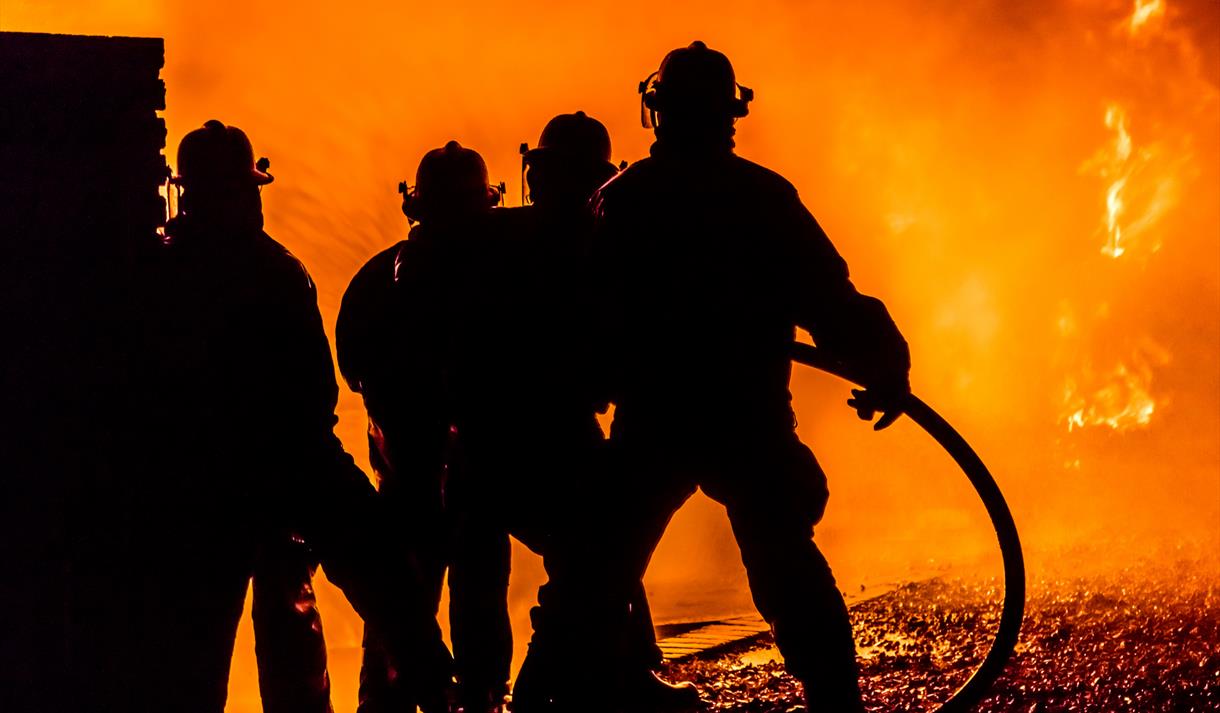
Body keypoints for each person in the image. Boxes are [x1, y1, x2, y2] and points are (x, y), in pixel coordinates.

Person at [583, 42, 912, 713]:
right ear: (730, 113)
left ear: (657, 110)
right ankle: (835, 703)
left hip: (655, 420)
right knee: (785, 561)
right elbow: (830, 301)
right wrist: (882, 363)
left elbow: (582, 318)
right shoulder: (762, 198)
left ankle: (561, 695)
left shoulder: (621, 202)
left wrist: (588, 387)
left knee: (595, 574)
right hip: (747, 418)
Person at [134, 120, 451, 713]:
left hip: (202, 475)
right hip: (287, 462)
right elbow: (316, 392)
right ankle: (434, 685)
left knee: (199, 641)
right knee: (377, 579)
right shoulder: (276, 269)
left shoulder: (158, 272)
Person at [497, 113, 699, 713]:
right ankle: (544, 690)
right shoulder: (581, 242)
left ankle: (621, 673)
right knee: (592, 559)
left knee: (606, 549)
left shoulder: (515, 239)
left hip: (530, 430)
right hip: (533, 431)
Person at [338, 140, 494, 712]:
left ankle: (392, 700)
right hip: (482, 469)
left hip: (406, 472)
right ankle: (479, 695)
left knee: (400, 600)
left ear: (414, 204)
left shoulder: (376, 279)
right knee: (478, 590)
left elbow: (352, 369)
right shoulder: (503, 277)